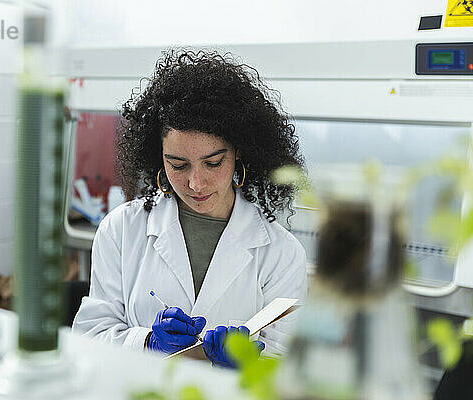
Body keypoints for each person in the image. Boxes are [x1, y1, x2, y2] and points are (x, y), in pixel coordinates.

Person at [73, 49, 307, 367]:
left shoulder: (281, 252)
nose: (196, 183)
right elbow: (89, 335)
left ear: (238, 151)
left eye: (213, 162)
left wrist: (247, 361)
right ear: (159, 158)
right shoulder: (122, 229)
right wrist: (147, 342)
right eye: (178, 164)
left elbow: (291, 365)